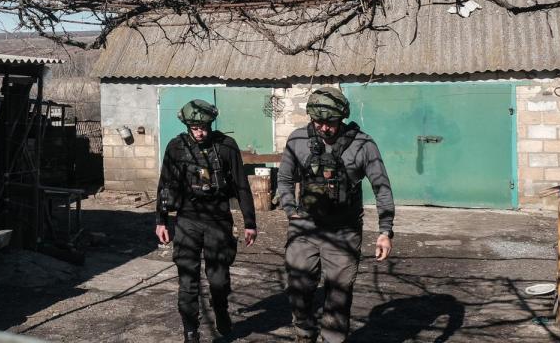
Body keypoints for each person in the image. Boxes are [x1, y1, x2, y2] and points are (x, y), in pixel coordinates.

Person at [278, 86, 395, 343]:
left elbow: (381, 187)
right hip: (305, 228)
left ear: (341, 118)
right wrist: (290, 209)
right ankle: (304, 332)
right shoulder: (297, 140)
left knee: (338, 296)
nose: (323, 128)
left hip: (344, 231)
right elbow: (285, 179)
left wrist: (385, 231)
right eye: (317, 122)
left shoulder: (363, 144)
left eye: (330, 122)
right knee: (298, 288)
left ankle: (331, 339)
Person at [156, 99, 258, 343]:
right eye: (194, 128)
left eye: (202, 127)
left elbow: (242, 186)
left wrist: (250, 222)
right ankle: (190, 330)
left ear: (211, 124)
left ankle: (221, 309)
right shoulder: (176, 147)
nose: (199, 132)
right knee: (187, 279)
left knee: (218, 278)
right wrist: (161, 220)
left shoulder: (226, 146)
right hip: (187, 220)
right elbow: (165, 185)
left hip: (218, 220)